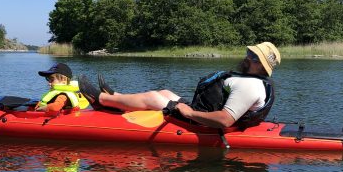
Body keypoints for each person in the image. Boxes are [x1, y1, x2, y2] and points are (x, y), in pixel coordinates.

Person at [79, 42, 280, 129]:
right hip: (203, 114)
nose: (247, 57)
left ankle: (101, 99)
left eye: (253, 57)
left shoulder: (250, 87)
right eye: (249, 53)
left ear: (262, 67)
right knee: (165, 92)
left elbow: (225, 120)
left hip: (206, 125)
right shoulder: (249, 80)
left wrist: (189, 113)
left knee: (154, 98)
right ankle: (115, 96)